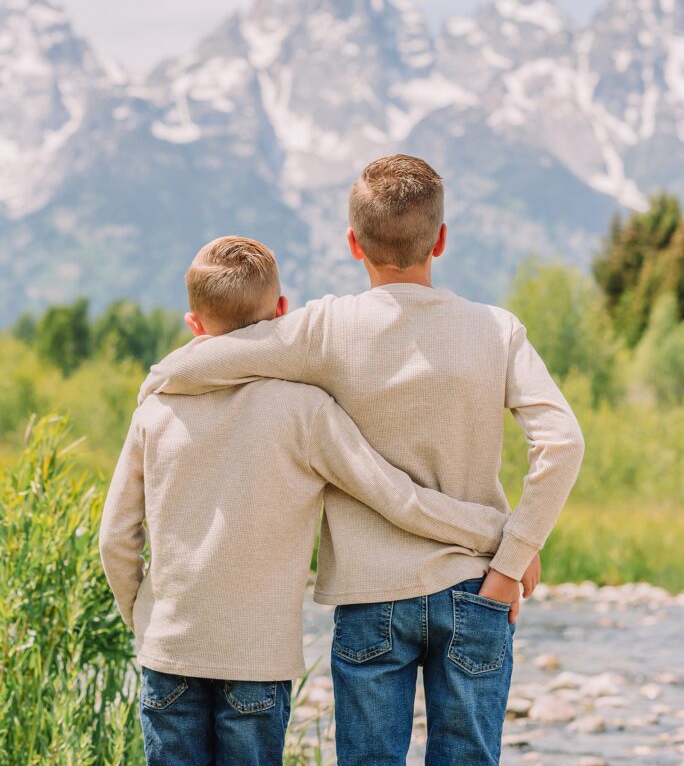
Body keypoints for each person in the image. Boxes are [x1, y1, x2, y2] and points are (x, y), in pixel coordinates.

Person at [141, 154, 585, 766]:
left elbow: (213, 358)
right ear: (442, 238)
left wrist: (157, 384)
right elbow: (563, 444)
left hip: (371, 596)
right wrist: (513, 557)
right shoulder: (497, 330)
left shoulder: (327, 327)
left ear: (353, 243)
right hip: (479, 582)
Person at [100, 234, 522, 766]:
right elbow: (396, 498)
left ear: (193, 324)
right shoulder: (304, 411)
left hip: (167, 652)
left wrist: (145, 622)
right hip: (258, 664)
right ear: (280, 313)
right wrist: (499, 536)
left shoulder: (155, 412)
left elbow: (116, 539)